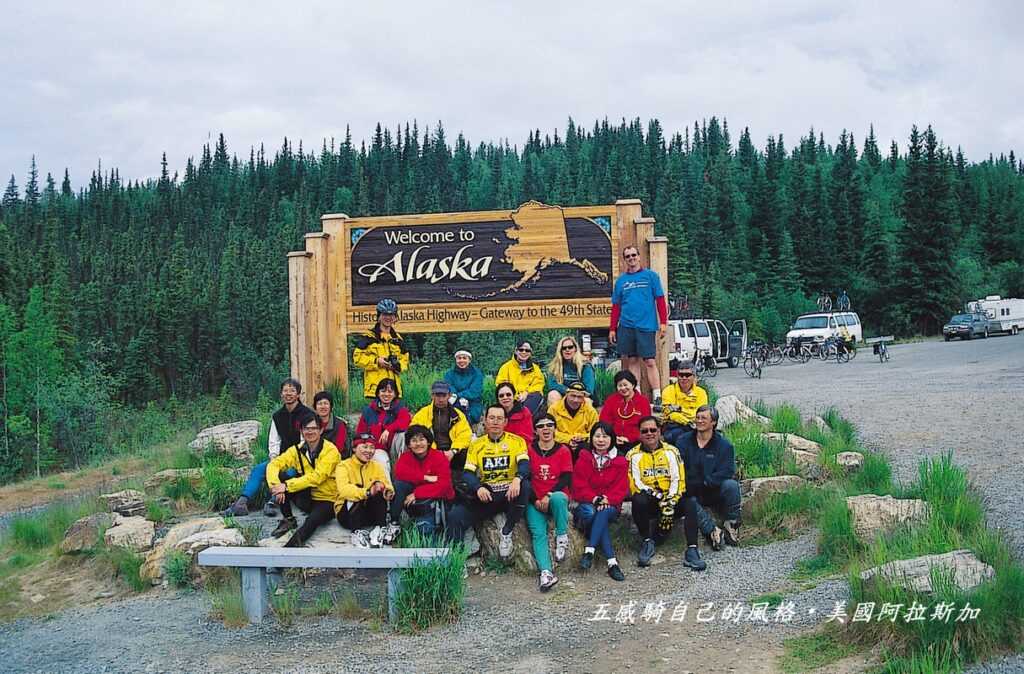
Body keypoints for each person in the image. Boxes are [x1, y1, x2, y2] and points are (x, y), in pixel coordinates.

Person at [222, 378, 312, 518]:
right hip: (281, 457)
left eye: (292, 391)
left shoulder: (307, 414)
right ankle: (241, 503)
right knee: (259, 469)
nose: (288, 394)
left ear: (298, 394)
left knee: (289, 472)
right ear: (281, 394)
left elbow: (305, 440)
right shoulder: (277, 416)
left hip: (300, 459)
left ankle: (273, 501)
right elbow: (274, 440)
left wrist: (291, 459)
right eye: (285, 391)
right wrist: (274, 457)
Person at [627, 416, 705, 571]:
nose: (649, 433)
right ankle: (647, 541)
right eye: (645, 431)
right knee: (638, 499)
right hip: (651, 501)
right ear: (639, 434)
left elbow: (678, 478)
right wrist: (659, 498)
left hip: (671, 500)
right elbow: (635, 483)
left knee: (690, 502)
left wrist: (670, 500)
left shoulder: (672, 451)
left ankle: (692, 549)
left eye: (653, 430)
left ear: (659, 431)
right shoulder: (632, 455)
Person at [463, 404, 531, 559]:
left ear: (505, 422)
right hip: (488, 494)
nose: (495, 422)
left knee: (525, 485)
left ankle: (506, 531)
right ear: (485, 421)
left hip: (510, 493)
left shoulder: (517, 441)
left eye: (499, 418)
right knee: (458, 511)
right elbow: (467, 473)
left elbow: (525, 465)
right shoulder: (476, 444)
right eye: (491, 418)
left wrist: (518, 478)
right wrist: (478, 487)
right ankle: (461, 552)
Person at [266, 411, 343, 547]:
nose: (310, 432)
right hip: (307, 497)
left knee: (311, 521)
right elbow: (274, 464)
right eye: (306, 429)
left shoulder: (331, 451)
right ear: (301, 431)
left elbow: (318, 477)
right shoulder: (298, 450)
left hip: (327, 500)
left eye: (313, 428)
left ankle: (287, 552)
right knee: (281, 476)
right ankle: (288, 519)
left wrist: (287, 486)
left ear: (321, 430)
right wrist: (275, 486)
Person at [390, 425, 471, 543]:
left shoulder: (438, 456)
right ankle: (394, 522)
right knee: (399, 484)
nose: (418, 444)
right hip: (421, 498)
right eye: (414, 441)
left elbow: (444, 485)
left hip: (438, 499)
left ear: (428, 442)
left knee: (426, 530)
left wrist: (417, 493)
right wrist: (425, 477)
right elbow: (400, 473)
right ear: (409, 445)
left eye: (422, 439)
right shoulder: (406, 457)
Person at [609, 246, 668, 403]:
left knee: (649, 361)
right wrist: (612, 328)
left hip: (646, 326)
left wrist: (663, 322)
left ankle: (657, 394)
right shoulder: (621, 281)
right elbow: (616, 306)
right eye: (628, 256)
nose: (631, 258)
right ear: (625, 260)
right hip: (626, 326)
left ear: (639, 256)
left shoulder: (651, 276)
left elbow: (660, 300)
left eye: (634, 255)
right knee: (632, 361)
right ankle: (636, 393)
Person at [678, 405, 741, 550]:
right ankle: (712, 531)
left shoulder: (724, 445)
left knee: (731, 486)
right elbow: (678, 466)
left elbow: (727, 471)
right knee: (686, 498)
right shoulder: (683, 441)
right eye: (697, 417)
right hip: (690, 490)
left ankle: (731, 524)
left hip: (712, 488)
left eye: (703, 418)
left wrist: (708, 481)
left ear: (713, 422)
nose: (699, 421)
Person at [573, 422, 629, 581]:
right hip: (588, 503)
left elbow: (622, 487)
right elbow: (579, 484)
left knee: (603, 511)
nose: (601, 440)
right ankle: (612, 563)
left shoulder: (620, 461)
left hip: (611, 505)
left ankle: (589, 551)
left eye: (605, 436)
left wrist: (607, 499)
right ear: (591, 438)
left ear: (612, 439)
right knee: (593, 512)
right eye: (597, 436)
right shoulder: (584, 457)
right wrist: (595, 498)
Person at [525, 414, 574, 592]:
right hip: (535, 501)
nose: (545, 429)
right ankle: (546, 572)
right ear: (535, 430)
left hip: (554, 498)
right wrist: (535, 499)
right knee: (538, 533)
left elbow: (566, 477)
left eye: (549, 425)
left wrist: (548, 495)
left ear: (555, 428)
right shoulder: (529, 450)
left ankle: (562, 536)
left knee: (559, 498)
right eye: (541, 426)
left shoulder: (563, 450)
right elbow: (525, 477)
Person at [335, 432, 396, 548]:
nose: (369, 451)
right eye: (364, 446)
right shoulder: (343, 466)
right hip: (347, 516)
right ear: (354, 448)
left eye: (372, 447)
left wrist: (387, 490)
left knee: (379, 486)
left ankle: (379, 528)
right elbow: (344, 490)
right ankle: (356, 533)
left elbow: (387, 483)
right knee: (355, 489)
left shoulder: (376, 466)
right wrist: (367, 492)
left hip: (369, 515)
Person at [352, 298, 410, 399]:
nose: (388, 318)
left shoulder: (398, 338)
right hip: (374, 391)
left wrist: (397, 366)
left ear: (395, 317)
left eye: (391, 315)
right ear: (379, 316)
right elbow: (357, 358)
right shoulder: (368, 337)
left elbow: (405, 359)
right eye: (385, 315)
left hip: (393, 391)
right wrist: (376, 361)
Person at [410, 380, 473, 472]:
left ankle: (461, 478)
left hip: (452, 452)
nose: (441, 399)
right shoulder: (422, 414)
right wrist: (433, 452)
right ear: (432, 396)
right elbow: (413, 432)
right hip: (429, 451)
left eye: (444, 395)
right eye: (438, 395)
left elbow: (465, 434)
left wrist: (453, 451)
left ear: (449, 396)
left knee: (466, 449)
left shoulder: (458, 415)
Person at [355, 378, 410, 465]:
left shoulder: (400, 409)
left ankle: (401, 471)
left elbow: (405, 421)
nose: (386, 394)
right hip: (376, 448)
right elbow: (360, 433)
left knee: (402, 436)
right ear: (378, 393)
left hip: (394, 448)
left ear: (395, 394)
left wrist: (388, 429)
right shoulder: (368, 410)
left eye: (390, 392)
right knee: (382, 461)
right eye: (383, 391)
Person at [660, 359, 708, 449]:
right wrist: (688, 421)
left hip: (697, 425)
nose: (684, 378)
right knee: (681, 438)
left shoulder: (701, 392)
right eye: (681, 375)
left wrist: (680, 409)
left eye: (687, 375)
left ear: (694, 377)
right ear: (677, 376)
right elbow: (670, 414)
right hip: (673, 426)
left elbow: (701, 414)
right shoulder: (668, 390)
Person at [599, 370, 651, 449]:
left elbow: (646, 425)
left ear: (633, 385)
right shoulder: (611, 400)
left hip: (636, 441)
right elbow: (604, 422)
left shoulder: (643, 401)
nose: (623, 388)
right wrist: (613, 437)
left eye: (625, 385)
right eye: (620, 385)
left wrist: (629, 438)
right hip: (613, 440)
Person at [549, 381, 599, 459]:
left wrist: (582, 437)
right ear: (566, 394)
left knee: (585, 450)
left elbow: (595, 432)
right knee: (563, 449)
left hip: (582, 444)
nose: (575, 400)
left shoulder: (591, 411)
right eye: (573, 396)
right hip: (561, 442)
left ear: (584, 397)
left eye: (579, 397)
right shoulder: (554, 409)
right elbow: (550, 431)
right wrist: (568, 439)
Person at [495, 341, 545, 415]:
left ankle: (523, 418)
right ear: (516, 351)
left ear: (531, 353)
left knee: (536, 396)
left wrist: (526, 393)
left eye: (527, 350)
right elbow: (501, 385)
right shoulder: (506, 367)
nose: (524, 352)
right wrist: (516, 396)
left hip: (529, 398)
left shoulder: (535, 369)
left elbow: (538, 384)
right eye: (521, 350)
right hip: (512, 398)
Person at [545, 336, 596, 408]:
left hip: (580, 396)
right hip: (564, 396)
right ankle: (555, 419)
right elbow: (552, 384)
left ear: (575, 349)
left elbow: (589, 390)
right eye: (564, 348)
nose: (567, 350)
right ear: (560, 351)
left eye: (570, 347)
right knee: (552, 395)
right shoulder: (556, 365)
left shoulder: (585, 365)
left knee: (587, 401)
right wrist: (567, 391)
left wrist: (574, 394)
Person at [443, 349, 484, 425]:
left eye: (464, 358)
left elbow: (475, 391)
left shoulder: (477, 373)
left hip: (473, 404)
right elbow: (449, 387)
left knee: (469, 417)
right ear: (456, 360)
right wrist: (455, 396)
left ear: (469, 360)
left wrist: (459, 395)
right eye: (459, 358)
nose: (461, 360)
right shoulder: (449, 374)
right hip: (454, 401)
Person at [312, 390, 348, 456]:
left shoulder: (339, 424)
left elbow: (339, 448)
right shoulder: (310, 423)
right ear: (315, 407)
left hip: (334, 459)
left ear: (331, 406)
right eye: (319, 404)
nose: (323, 407)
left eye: (326, 403)